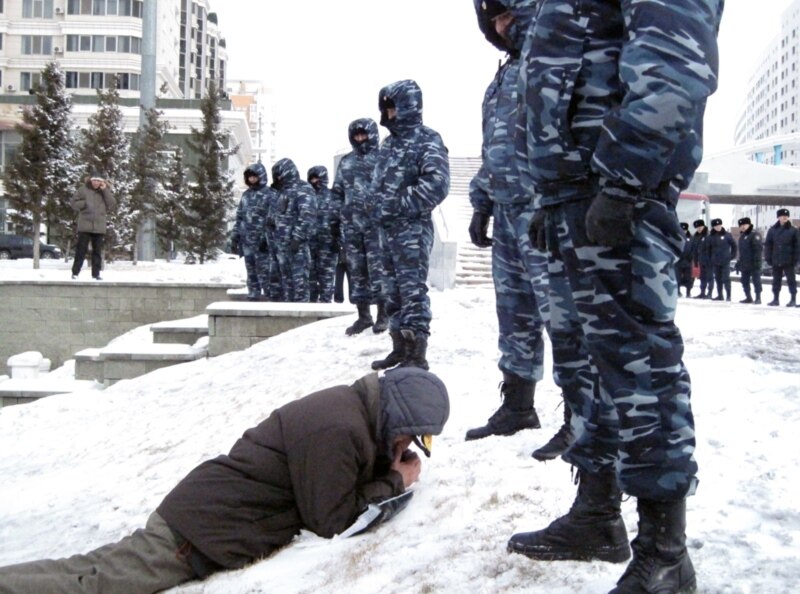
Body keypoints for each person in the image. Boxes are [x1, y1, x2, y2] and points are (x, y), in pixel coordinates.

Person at [505, 2, 723, 594]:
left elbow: (674, 57)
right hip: (574, 194)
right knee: (590, 368)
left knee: (640, 369)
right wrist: (550, 190)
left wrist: (625, 179)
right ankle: (598, 513)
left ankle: (665, 556)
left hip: (617, 189)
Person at [0, 367, 450, 594]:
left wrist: (386, 470)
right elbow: (331, 518)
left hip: (202, 519)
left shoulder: (349, 414)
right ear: (397, 417)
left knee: (85, 571)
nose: (407, 446)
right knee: (91, 584)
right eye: (410, 436)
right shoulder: (339, 428)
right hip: (198, 533)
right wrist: (395, 481)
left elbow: (336, 486)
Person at [463, 1, 574, 463]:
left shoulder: (554, 58)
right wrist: (481, 202)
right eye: (493, 19)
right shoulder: (503, 75)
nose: (500, 26)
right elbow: (494, 148)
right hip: (508, 213)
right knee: (514, 314)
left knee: (563, 317)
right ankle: (518, 406)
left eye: (507, 15)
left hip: (545, 210)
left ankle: (580, 419)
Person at [370, 80, 450, 371]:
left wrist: (396, 204)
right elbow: (379, 184)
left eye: (393, 107)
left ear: (408, 107)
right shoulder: (388, 144)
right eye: (386, 108)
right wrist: (375, 204)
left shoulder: (427, 139)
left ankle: (416, 354)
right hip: (386, 230)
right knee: (391, 292)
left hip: (412, 230)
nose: (389, 114)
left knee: (412, 291)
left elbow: (437, 185)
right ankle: (399, 347)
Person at [331, 118, 388, 335]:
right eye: (356, 135)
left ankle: (383, 314)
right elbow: (337, 192)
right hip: (352, 227)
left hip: (376, 226)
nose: (360, 138)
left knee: (378, 270)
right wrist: (336, 219)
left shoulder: (383, 158)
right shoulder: (346, 162)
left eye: (364, 134)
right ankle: (363, 316)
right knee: (356, 271)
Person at [270, 158, 317, 302]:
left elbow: (307, 215)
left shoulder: (303, 189)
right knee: (287, 287)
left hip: (297, 247)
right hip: (282, 247)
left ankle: (302, 315)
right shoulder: (282, 192)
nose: (278, 178)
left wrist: (297, 237)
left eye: (279, 175)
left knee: (300, 286)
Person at [231, 163, 273, 301]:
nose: (252, 179)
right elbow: (240, 217)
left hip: (262, 243)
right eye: (250, 177)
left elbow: (273, 219)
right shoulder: (246, 195)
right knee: (251, 271)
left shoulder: (270, 194)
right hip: (247, 241)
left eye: (255, 176)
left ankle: (270, 296)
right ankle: (253, 294)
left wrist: (267, 239)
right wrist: (235, 236)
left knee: (265, 271)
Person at [70, 170, 116, 281]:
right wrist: (83, 204)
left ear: (101, 182)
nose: (96, 183)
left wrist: (105, 190)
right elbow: (73, 203)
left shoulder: (104, 191)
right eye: (94, 180)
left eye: (98, 181)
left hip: (99, 226)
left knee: (97, 252)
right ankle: (75, 272)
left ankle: (96, 274)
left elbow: (112, 204)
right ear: (91, 180)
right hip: (85, 225)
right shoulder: (83, 190)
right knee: (81, 250)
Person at [307, 166, 340, 303]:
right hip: (309, 242)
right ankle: (311, 302)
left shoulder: (333, 196)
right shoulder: (307, 197)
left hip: (328, 242)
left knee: (327, 275)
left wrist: (339, 240)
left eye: (317, 178)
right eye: (312, 179)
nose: (314, 181)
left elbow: (341, 219)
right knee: (310, 274)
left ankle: (326, 301)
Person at [764, 208, 800, 307]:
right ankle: (775, 299)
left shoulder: (793, 230)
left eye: (786, 216)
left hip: (789, 260)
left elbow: (797, 246)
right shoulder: (772, 230)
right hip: (776, 259)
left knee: (791, 280)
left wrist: (796, 259)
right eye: (782, 216)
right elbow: (768, 245)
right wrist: (768, 258)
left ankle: (793, 299)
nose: (785, 217)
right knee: (776, 280)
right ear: (778, 217)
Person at [705, 218, 737, 302]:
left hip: (725, 261)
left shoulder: (727, 235)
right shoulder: (710, 237)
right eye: (716, 226)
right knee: (718, 279)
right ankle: (720, 295)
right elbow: (708, 250)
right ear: (713, 227)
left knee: (726, 278)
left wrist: (732, 256)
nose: (718, 227)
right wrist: (710, 259)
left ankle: (728, 295)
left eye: (719, 225)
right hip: (715, 262)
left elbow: (734, 246)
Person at [736, 217, 763, 304]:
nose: (743, 227)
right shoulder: (742, 237)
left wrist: (757, 261)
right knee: (744, 281)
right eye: (741, 226)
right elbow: (741, 252)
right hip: (745, 263)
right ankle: (748, 297)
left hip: (754, 263)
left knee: (756, 281)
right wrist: (739, 262)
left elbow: (758, 249)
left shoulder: (754, 235)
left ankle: (758, 298)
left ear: (749, 225)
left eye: (745, 225)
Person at [690, 219, 712, 299]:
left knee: (709, 278)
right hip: (701, 260)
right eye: (697, 228)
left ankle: (709, 293)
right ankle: (702, 292)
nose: (699, 229)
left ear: (703, 226)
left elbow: (711, 248)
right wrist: (696, 261)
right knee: (702, 278)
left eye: (700, 227)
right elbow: (694, 250)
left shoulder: (708, 235)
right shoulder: (696, 237)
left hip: (709, 261)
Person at [676, 222, 695, 298]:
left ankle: (688, 292)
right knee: (677, 277)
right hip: (678, 261)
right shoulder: (676, 237)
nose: (684, 231)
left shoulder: (691, 238)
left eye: (685, 230)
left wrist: (691, 257)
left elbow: (694, 248)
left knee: (688, 278)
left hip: (688, 261)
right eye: (682, 230)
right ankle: (678, 291)